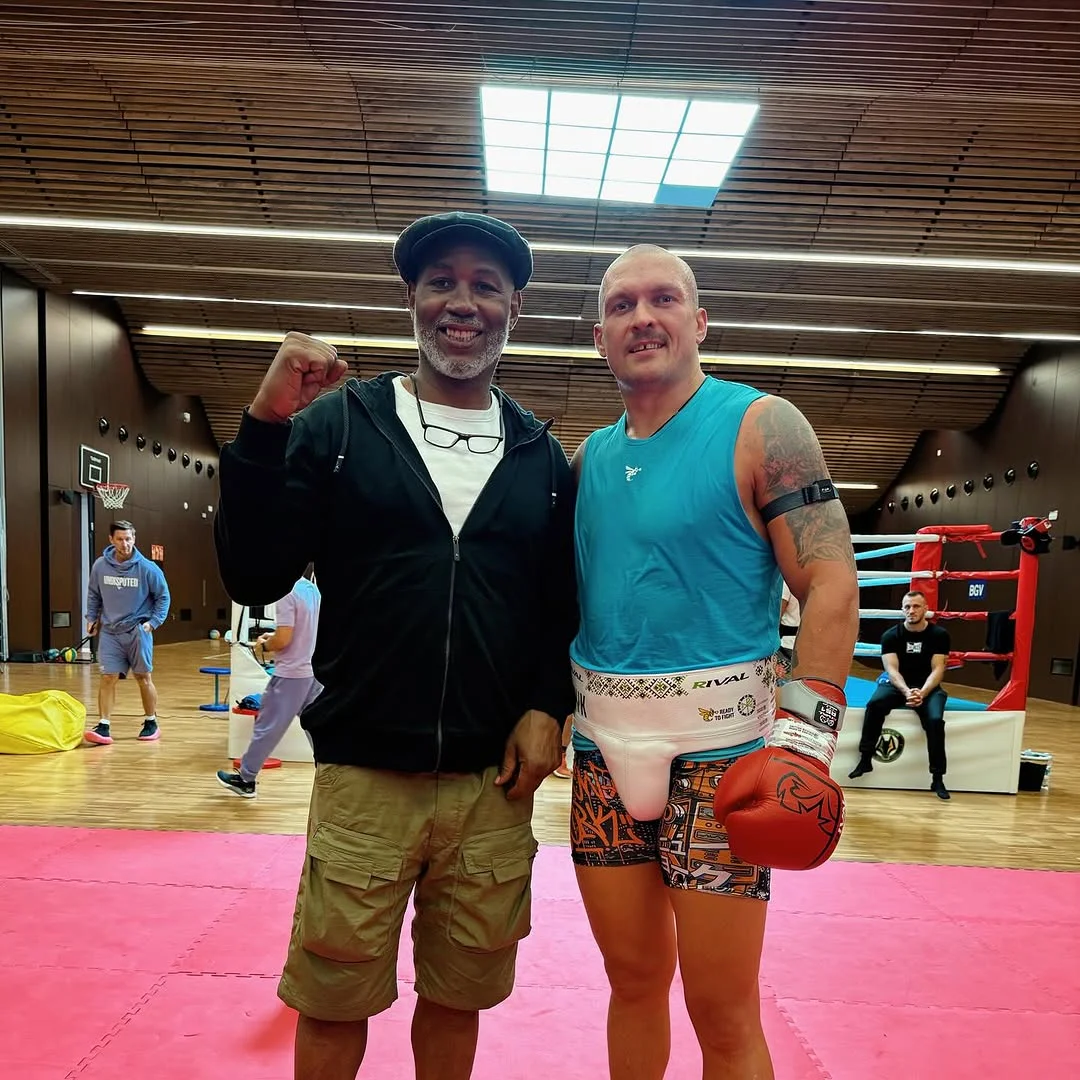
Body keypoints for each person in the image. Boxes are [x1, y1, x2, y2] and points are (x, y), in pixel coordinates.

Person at [213, 211, 577, 1080]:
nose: (463, 302)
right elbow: (253, 572)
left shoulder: (541, 456)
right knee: (333, 996)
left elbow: (556, 602)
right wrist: (265, 424)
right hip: (365, 777)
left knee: (458, 996)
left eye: (485, 285)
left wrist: (548, 705)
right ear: (412, 299)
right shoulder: (341, 427)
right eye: (441, 282)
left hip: (493, 784)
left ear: (515, 309)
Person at [569, 244, 859, 1080]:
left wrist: (805, 743)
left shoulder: (762, 425)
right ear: (598, 337)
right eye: (621, 305)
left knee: (723, 1008)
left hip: (722, 754)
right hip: (600, 750)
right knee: (630, 983)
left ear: (699, 322)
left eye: (662, 299)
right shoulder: (585, 462)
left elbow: (830, 581)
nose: (642, 318)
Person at [216, 568, 323, 798]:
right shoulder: (311, 590)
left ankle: (246, 779)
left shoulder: (286, 593)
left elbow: (283, 639)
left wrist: (264, 644)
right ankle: (331, 773)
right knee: (318, 727)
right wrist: (272, 637)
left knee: (266, 728)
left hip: (290, 675)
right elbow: (302, 629)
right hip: (309, 671)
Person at [849, 589, 951, 799]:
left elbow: (938, 669)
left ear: (925, 608)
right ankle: (865, 759)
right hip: (897, 685)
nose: (911, 611)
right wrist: (906, 691)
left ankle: (937, 777)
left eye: (916, 606)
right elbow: (892, 670)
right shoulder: (891, 636)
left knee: (934, 720)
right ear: (902, 610)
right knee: (875, 705)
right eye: (907, 607)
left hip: (927, 686)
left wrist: (922, 692)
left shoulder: (939, 635)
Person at [84, 520, 171, 745]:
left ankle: (151, 722)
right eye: (120, 539)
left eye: (129, 539)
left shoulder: (147, 568)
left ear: (134, 539)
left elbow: (163, 597)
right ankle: (103, 725)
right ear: (111, 540)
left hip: (137, 630)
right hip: (110, 631)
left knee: (143, 677)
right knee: (108, 677)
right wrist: (91, 618)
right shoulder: (100, 566)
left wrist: (153, 623)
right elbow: (94, 594)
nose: (125, 544)